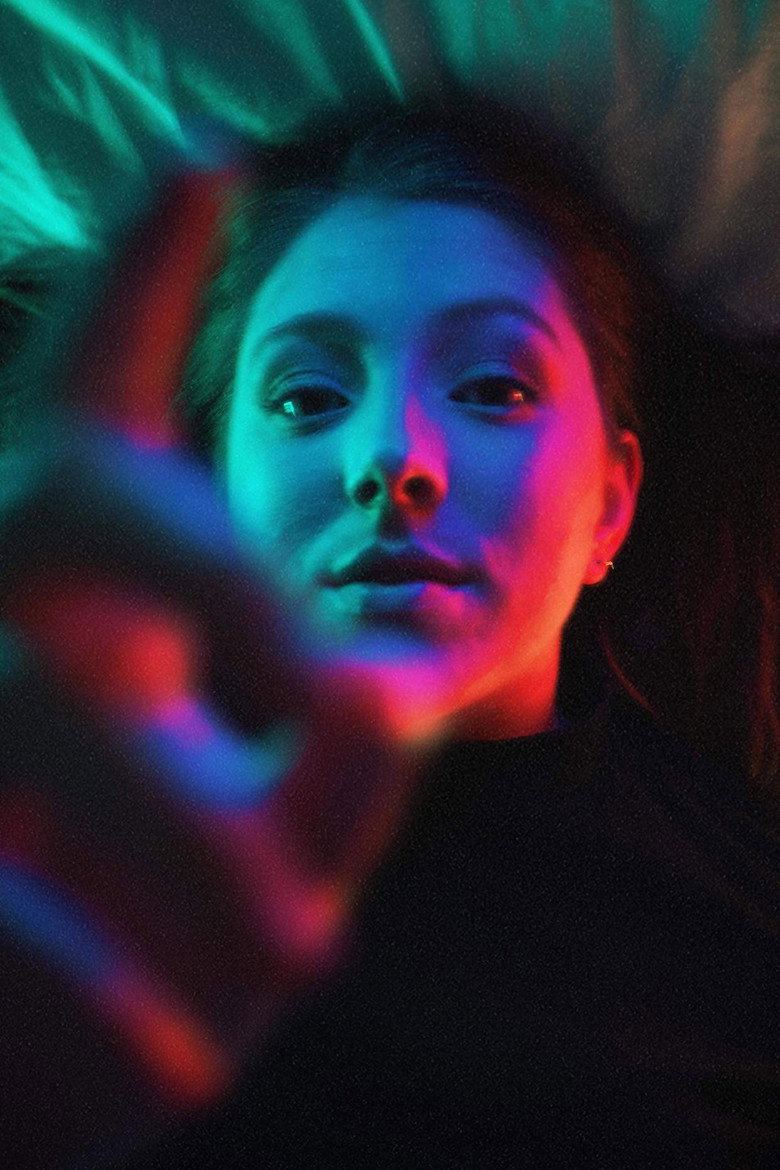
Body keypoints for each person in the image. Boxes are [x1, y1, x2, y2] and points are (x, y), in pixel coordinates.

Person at [1, 95, 778, 1169]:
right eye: (305, 399)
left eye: (494, 387)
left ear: (610, 504)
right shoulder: (56, 835)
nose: (393, 456)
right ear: (211, 489)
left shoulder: (746, 896)